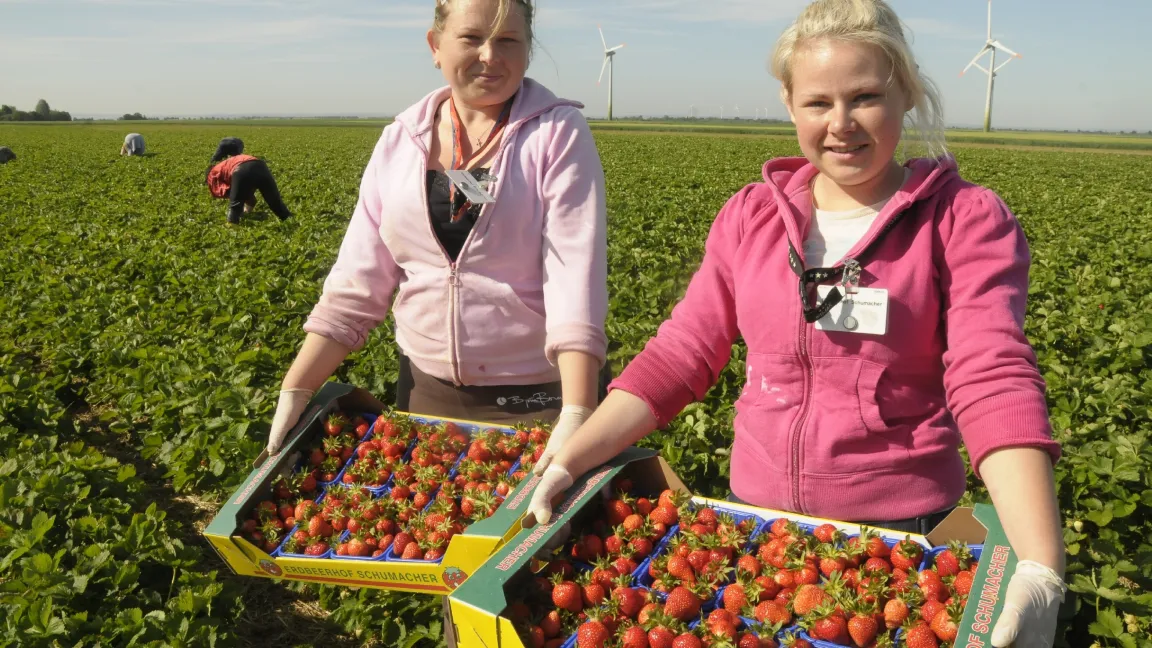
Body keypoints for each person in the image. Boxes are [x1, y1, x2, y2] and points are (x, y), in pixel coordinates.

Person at [526, 1, 1067, 646]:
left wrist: (1040, 566)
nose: (841, 124)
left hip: (901, 539)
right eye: (817, 103)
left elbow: (990, 373)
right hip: (761, 526)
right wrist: (573, 456)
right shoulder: (751, 216)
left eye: (866, 96)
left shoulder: (962, 221)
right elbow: (682, 353)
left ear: (907, 93)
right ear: (788, 102)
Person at [262, 0, 608, 455]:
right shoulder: (400, 141)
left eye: (508, 41)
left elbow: (573, 277)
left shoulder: (556, 134)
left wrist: (576, 412)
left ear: (528, 52)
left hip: (538, 398)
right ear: (435, 46)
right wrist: (297, 387)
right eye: (471, 38)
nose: (490, 55)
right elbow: (357, 281)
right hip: (425, 391)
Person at [205, 152, 292, 224]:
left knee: (235, 205)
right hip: (260, 166)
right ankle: (291, 221)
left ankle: (231, 226)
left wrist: (237, 199)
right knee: (275, 202)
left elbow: (225, 191)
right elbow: (248, 196)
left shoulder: (212, 173)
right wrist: (247, 210)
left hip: (241, 169)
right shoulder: (226, 164)